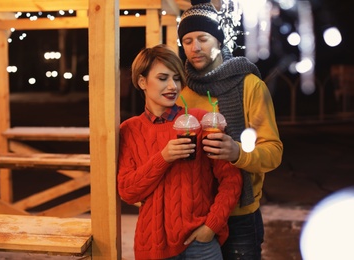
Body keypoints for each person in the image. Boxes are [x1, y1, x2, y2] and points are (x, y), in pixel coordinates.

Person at [176, 1, 284, 259]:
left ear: (219, 39)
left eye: (202, 38)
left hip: (240, 217)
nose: (195, 47)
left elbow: (273, 152)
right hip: (196, 216)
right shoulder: (181, 93)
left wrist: (237, 152)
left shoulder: (250, 85)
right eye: (188, 41)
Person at [117, 44, 242, 259]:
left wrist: (211, 226)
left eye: (176, 78)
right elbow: (128, 192)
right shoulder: (130, 129)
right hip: (153, 245)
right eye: (163, 78)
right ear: (142, 82)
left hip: (200, 244)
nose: (173, 86)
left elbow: (231, 179)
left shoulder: (201, 120)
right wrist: (163, 158)